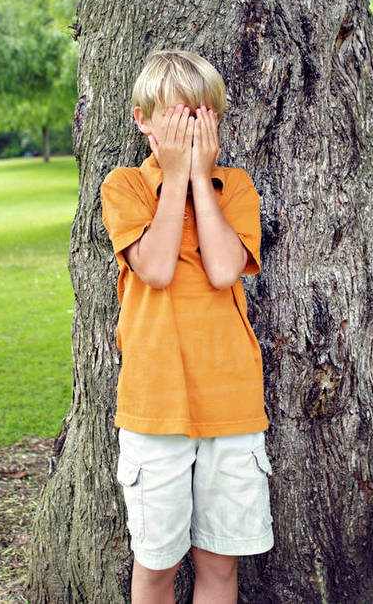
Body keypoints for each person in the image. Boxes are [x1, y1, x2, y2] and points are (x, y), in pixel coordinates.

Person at [100, 50, 272, 604]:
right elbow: (154, 267)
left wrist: (200, 179)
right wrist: (174, 178)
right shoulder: (124, 186)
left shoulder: (235, 186)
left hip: (231, 401)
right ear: (142, 120)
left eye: (200, 119)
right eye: (175, 121)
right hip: (156, 404)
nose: (188, 133)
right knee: (155, 567)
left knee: (220, 568)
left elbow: (224, 270)